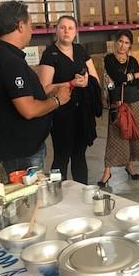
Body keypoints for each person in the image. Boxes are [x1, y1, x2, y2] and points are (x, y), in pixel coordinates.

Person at [0, 1, 70, 174]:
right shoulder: (10, 61)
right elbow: (28, 109)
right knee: (28, 199)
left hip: (17, 148)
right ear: (20, 26)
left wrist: (47, 92)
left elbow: (19, 96)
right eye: (30, 25)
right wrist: (57, 100)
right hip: (22, 154)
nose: (32, 31)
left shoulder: (1, 55)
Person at [38, 16, 100, 184]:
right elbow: (44, 89)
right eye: (63, 27)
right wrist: (70, 84)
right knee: (62, 156)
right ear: (56, 30)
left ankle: (82, 191)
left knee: (80, 155)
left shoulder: (80, 50)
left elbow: (95, 79)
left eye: (70, 28)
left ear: (76, 32)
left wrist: (88, 82)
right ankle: (57, 193)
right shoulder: (50, 54)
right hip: (61, 114)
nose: (66, 31)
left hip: (82, 113)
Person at [98, 29, 139, 187]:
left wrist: (129, 79)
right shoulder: (109, 59)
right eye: (120, 41)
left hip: (136, 101)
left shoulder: (133, 61)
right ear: (115, 42)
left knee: (133, 134)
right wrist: (132, 77)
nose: (122, 45)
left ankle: (130, 165)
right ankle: (107, 171)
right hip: (118, 102)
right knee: (116, 136)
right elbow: (117, 78)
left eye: (126, 43)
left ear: (130, 45)